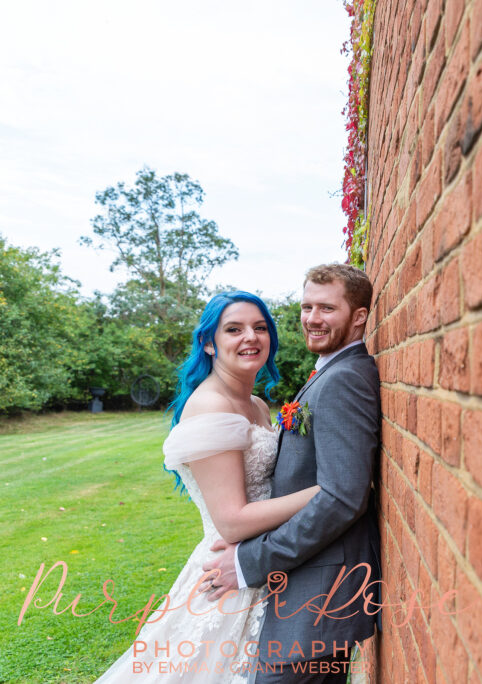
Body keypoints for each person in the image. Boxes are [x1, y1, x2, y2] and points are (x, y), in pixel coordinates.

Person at [96, 290, 320, 684]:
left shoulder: (256, 405)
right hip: (230, 569)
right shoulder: (211, 406)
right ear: (208, 343)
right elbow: (232, 522)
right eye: (234, 329)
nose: (250, 337)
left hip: (263, 560)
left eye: (260, 327)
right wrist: (325, 492)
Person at [202, 263, 382, 683]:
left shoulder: (344, 380)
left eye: (326, 308)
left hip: (315, 599)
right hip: (302, 590)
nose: (312, 319)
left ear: (359, 317)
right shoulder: (328, 373)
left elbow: (341, 497)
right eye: (306, 307)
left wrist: (248, 563)